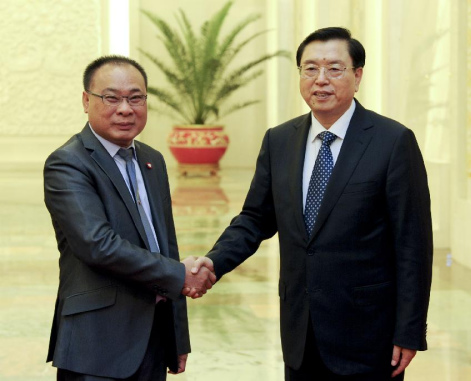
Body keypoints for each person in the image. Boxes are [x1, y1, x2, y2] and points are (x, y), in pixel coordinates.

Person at [189, 27, 433, 380]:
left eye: (334, 69)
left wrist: (409, 330)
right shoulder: (279, 141)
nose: (321, 80)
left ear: (358, 75)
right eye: (310, 68)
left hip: (368, 335)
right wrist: (212, 263)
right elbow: (255, 219)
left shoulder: (393, 142)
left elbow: (413, 244)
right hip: (300, 333)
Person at [44, 55, 216, 380]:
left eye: (135, 98)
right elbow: (98, 245)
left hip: (152, 340)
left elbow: (165, 245)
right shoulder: (68, 164)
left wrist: (178, 337)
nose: (125, 109)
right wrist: (181, 274)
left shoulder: (153, 160)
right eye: (111, 98)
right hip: (96, 346)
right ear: (86, 100)